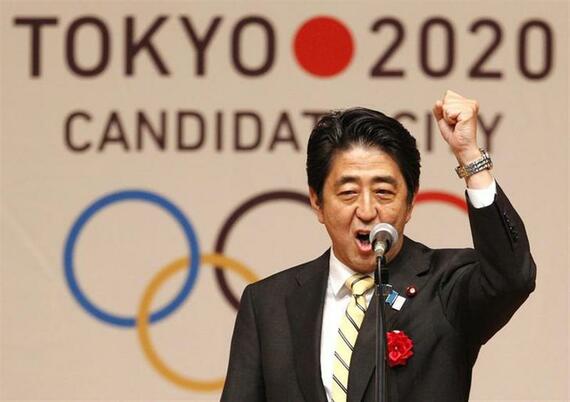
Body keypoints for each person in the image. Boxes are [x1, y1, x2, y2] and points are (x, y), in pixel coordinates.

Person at [221, 91, 536, 402]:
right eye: (348, 192)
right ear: (317, 202)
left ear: (410, 202)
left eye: (383, 192)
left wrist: (470, 157)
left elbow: (512, 278)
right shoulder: (269, 304)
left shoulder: (445, 286)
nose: (367, 210)